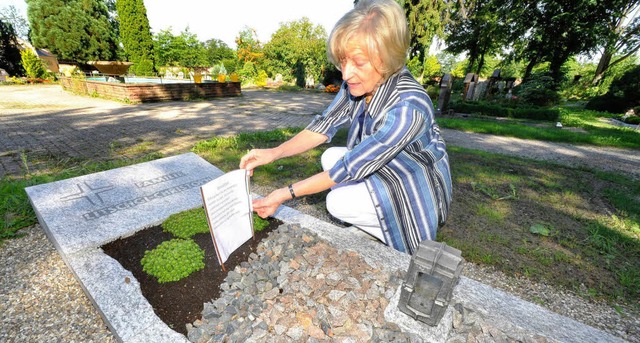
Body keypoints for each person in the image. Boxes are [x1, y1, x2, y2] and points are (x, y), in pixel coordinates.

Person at [239, 0, 452, 254]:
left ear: (386, 58)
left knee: (338, 202)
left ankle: (385, 233)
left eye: (358, 63)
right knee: (330, 156)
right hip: (388, 168)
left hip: (413, 186)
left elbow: (350, 169)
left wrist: (282, 194)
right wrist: (273, 153)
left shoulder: (408, 107)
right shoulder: (357, 83)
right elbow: (323, 126)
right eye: (343, 61)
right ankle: (371, 221)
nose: (346, 74)